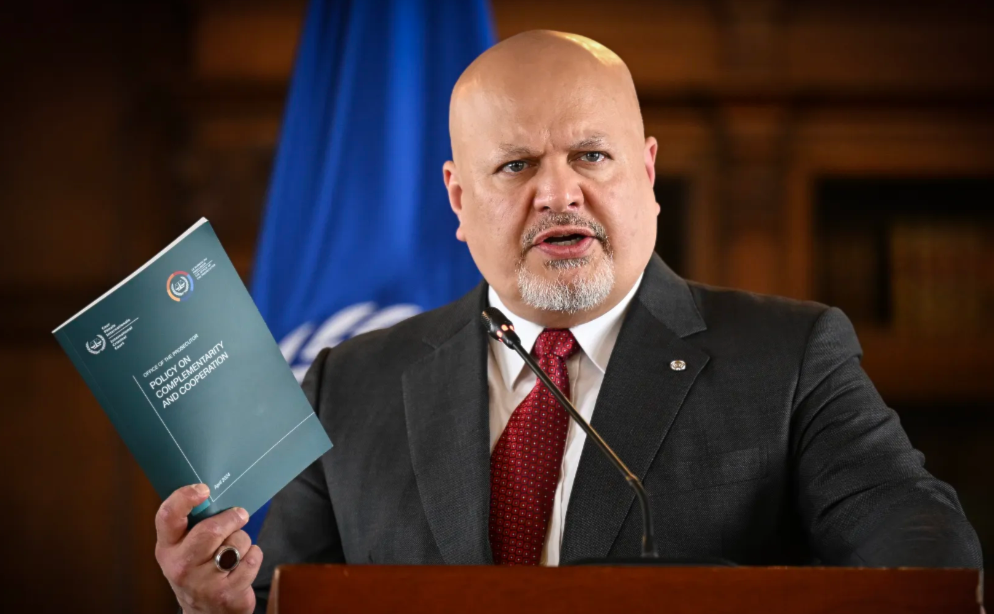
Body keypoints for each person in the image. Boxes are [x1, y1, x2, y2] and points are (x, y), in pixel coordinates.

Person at [153, 31, 982, 614]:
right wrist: (215, 605)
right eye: (516, 165)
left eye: (591, 155)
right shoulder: (346, 385)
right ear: (457, 198)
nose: (558, 194)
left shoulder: (794, 357)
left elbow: (923, 549)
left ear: (646, 171)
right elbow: (285, 603)